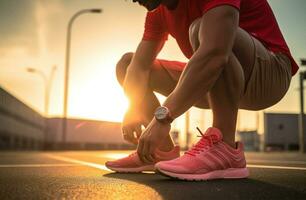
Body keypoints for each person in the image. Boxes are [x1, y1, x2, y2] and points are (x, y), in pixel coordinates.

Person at [105, 0, 298, 181]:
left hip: (269, 74)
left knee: (203, 29)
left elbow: (215, 52)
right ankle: (159, 151)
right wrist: (132, 107)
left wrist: (162, 117)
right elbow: (139, 67)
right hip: (215, 78)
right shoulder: (158, 11)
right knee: (127, 64)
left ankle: (224, 146)